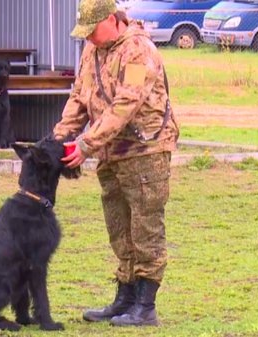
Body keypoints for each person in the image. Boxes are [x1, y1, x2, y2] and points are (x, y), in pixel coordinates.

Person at [53, 0, 179, 327]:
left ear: (112, 19)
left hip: (144, 151)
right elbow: (80, 96)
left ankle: (145, 306)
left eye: (93, 31)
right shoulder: (93, 50)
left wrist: (86, 143)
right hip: (110, 153)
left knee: (145, 227)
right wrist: (59, 137)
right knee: (119, 226)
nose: (89, 38)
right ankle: (124, 299)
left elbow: (126, 104)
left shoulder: (139, 51)